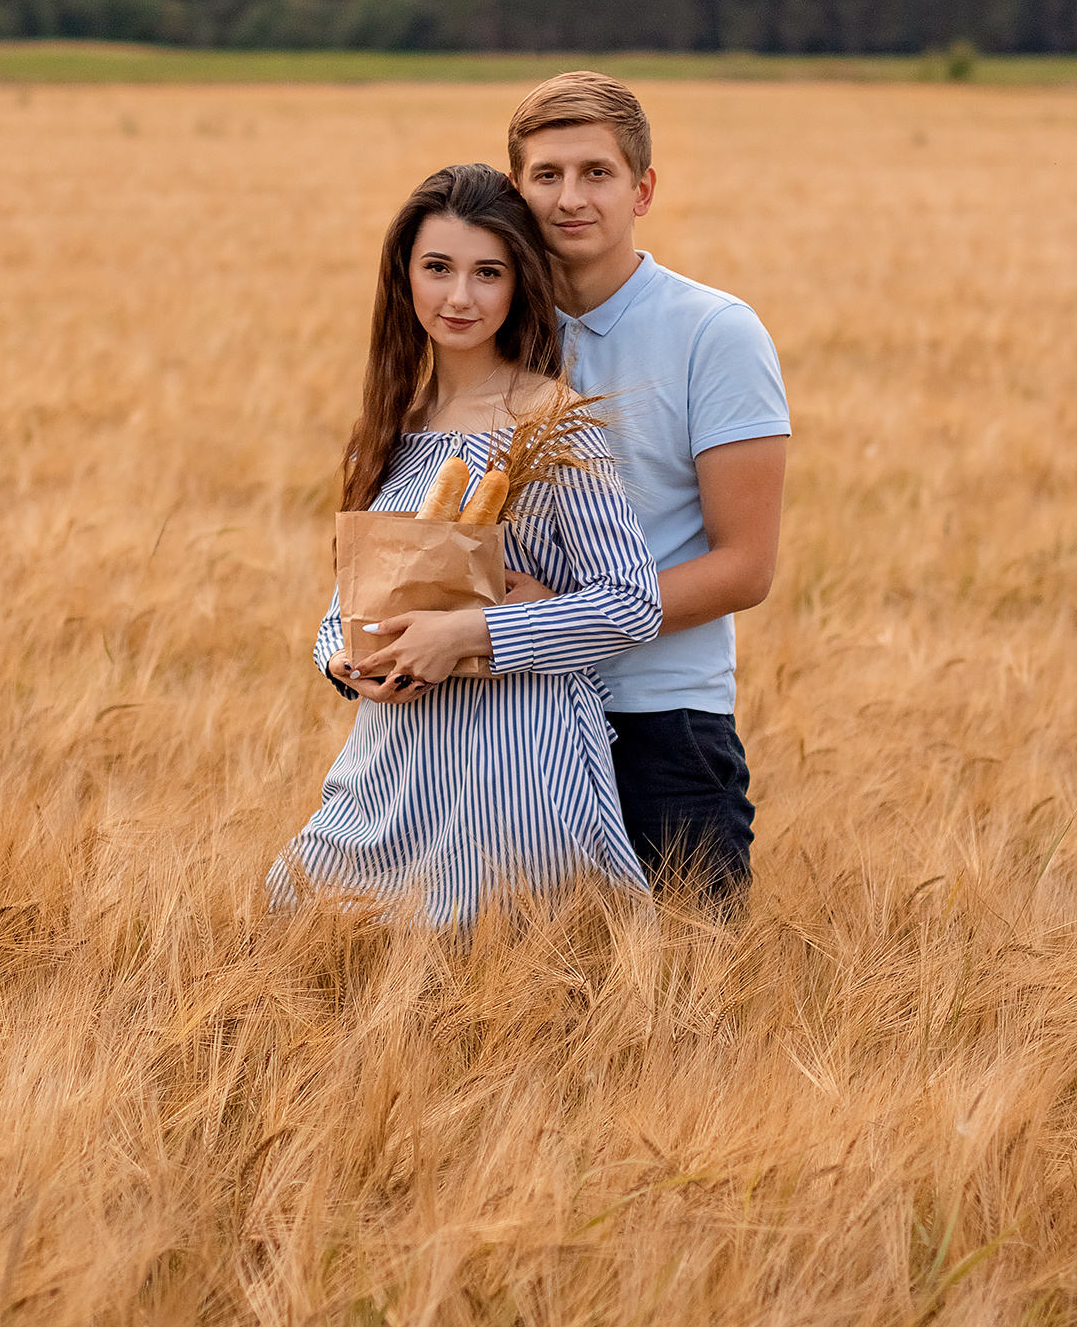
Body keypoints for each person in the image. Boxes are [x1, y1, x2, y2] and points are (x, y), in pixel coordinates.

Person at [268, 162, 662, 924]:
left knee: (517, 978)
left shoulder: (553, 423)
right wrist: (345, 662)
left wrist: (468, 632)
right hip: (392, 758)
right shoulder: (386, 431)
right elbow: (345, 608)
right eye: (438, 268)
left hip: (516, 760)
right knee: (299, 915)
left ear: (519, 285)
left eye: (488, 273)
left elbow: (631, 603)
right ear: (404, 277)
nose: (459, 297)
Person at [505, 71, 790, 902]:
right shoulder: (488, 331)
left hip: (665, 724)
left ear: (644, 189)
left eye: (597, 173)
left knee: (693, 1011)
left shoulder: (715, 332)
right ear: (515, 192)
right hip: (511, 718)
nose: (571, 198)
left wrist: (556, 621)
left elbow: (746, 567)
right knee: (526, 1012)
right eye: (546, 176)